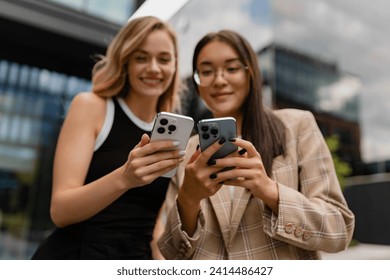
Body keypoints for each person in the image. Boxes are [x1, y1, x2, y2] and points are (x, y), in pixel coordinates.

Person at [158, 30, 355, 259]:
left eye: (231, 69)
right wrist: (188, 199)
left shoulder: (297, 126)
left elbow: (339, 229)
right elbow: (171, 254)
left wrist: (269, 190)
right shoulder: (187, 151)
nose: (219, 80)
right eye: (206, 71)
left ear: (251, 73)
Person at [32, 16, 183, 260]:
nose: (154, 68)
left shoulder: (170, 128)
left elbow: (151, 223)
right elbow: (60, 211)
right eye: (141, 57)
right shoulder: (92, 107)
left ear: (175, 65)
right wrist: (126, 177)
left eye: (163, 59)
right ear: (125, 61)